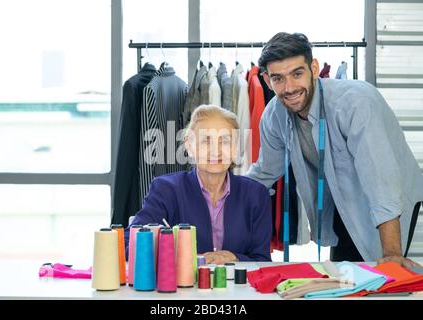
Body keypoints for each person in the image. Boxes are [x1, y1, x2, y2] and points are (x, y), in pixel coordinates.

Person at [247, 32, 423, 268]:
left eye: (297, 74)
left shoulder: (354, 104)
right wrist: (218, 194)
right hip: (340, 197)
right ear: (268, 81)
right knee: (345, 277)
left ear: (314, 68)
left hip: (389, 193)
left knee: (384, 274)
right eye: (278, 78)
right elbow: (265, 172)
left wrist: (392, 254)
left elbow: (382, 182)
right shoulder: (273, 116)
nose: (289, 88)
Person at [125, 105, 272, 263]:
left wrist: (234, 257)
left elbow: (262, 260)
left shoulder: (256, 195)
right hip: (182, 287)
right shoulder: (165, 189)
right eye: (206, 141)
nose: (216, 151)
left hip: (238, 287)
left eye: (225, 141)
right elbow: (130, 245)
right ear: (189, 145)